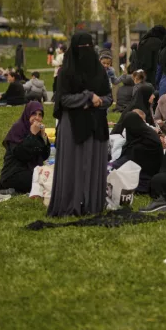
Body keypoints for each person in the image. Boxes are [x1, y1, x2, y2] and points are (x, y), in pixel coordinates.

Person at [48, 32, 113, 218]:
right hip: (73, 125)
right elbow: (63, 99)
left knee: (94, 164)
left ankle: (92, 203)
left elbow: (109, 96)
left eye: (88, 47)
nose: (85, 51)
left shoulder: (99, 71)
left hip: (96, 125)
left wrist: (99, 100)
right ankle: (72, 202)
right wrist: (87, 97)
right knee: (73, 165)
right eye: (81, 47)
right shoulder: (67, 71)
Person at [0, 102, 51, 193]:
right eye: (34, 114)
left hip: (30, 171)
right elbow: (21, 154)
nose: (37, 117)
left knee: (50, 177)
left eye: (40, 115)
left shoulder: (37, 131)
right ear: (27, 114)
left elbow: (44, 155)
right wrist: (32, 135)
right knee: (43, 181)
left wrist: (43, 136)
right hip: (13, 173)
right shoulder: (18, 129)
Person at [111, 108, 164, 194]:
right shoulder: (143, 133)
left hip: (146, 177)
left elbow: (130, 161)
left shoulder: (148, 141)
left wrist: (112, 166)